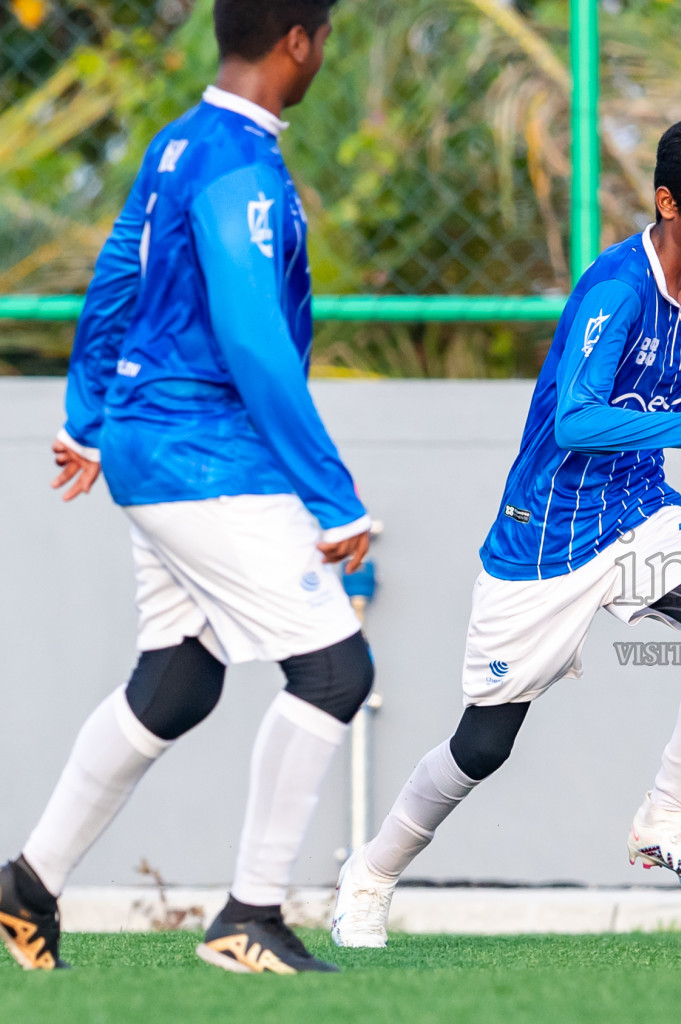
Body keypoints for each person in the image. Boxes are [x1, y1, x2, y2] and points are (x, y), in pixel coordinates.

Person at [330, 114, 681, 948]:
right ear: (667, 203)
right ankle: (369, 877)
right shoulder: (616, 289)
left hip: (637, 511)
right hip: (544, 535)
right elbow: (579, 418)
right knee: (484, 746)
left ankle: (665, 820)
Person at [0, 0, 374, 975]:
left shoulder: (178, 145)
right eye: (325, 38)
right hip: (206, 458)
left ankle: (25, 887)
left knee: (178, 679)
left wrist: (88, 417)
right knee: (336, 673)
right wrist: (332, 495)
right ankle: (249, 914)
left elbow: (116, 277)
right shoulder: (241, 164)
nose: (322, 54)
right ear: (299, 41)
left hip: (149, 447)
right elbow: (253, 341)